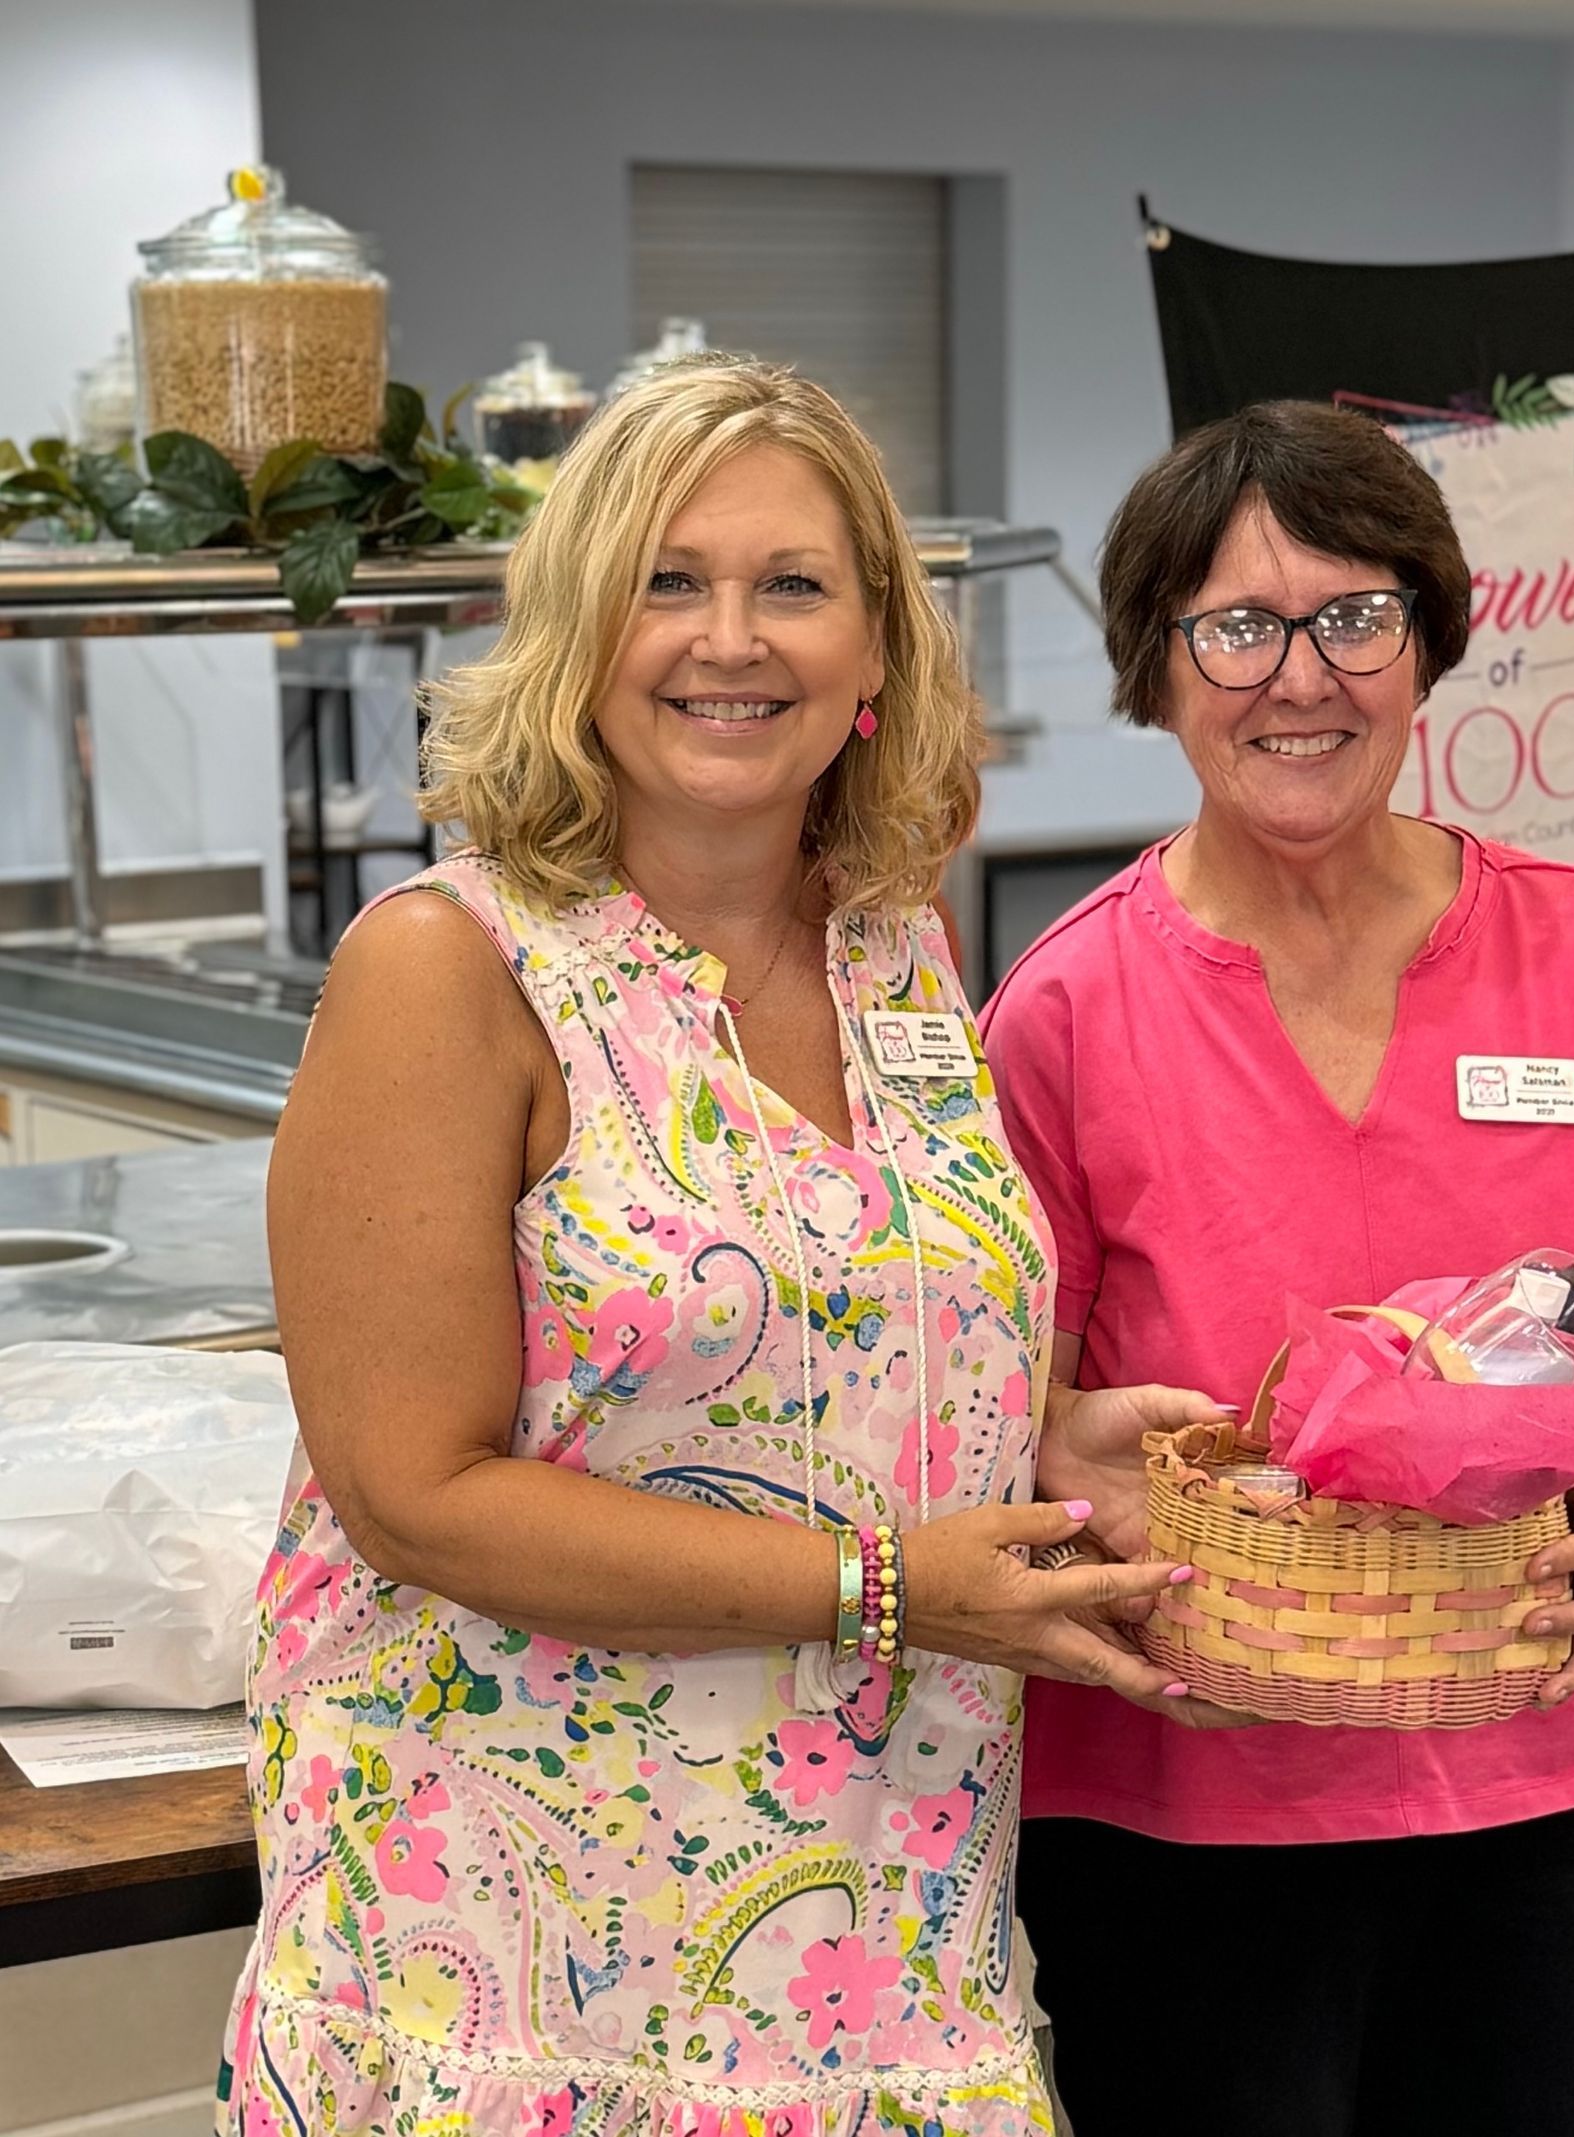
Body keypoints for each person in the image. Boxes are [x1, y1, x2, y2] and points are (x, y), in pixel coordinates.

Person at [219, 356, 1231, 2137]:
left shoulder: (897, 954)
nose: (728, 636)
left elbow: (852, 1347)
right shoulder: (447, 970)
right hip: (525, 1966)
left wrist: (1048, 1445)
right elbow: (413, 1492)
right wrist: (886, 1583)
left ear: (873, 650)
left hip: (889, 1942)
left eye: (794, 585)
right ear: (580, 629)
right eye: (668, 581)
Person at [979, 400, 1574, 2137]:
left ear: (1426, 648)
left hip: (1538, 1737)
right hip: (1199, 1775)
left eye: (1355, 616)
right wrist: (1064, 1437)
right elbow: (983, 1392)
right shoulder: (1066, 1008)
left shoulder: (1569, 936)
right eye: (1237, 627)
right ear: (1159, 668)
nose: (1300, 675)